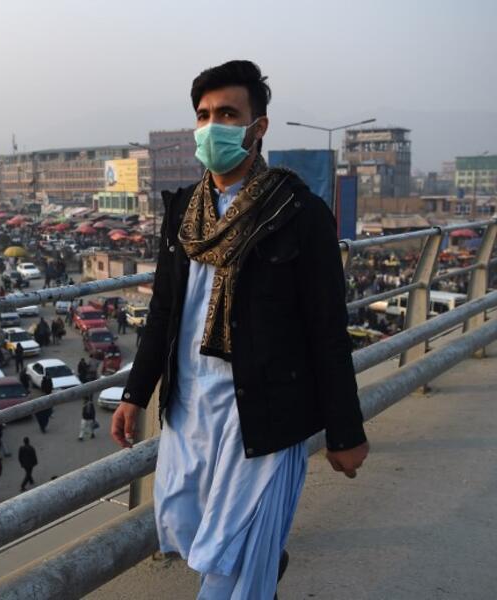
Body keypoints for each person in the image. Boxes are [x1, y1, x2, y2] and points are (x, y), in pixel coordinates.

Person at [111, 60, 368, 599]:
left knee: (234, 566)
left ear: (259, 126)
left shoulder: (298, 211)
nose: (212, 127)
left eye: (227, 113)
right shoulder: (185, 209)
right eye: (203, 115)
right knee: (199, 537)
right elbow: (164, 309)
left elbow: (327, 329)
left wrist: (345, 431)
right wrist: (136, 393)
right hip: (189, 411)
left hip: (261, 415)